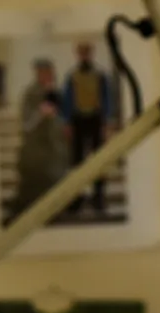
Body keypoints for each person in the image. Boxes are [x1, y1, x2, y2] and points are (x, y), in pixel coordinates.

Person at [66, 41, 113, 212]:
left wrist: (106, 121)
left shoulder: (100, 75)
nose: (84, 56)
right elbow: (68, 100)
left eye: (87, 52)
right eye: (81, 53)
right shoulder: (72, 76)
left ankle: (98, 197)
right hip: (78, 120)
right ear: (78, 55)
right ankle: (77, 197)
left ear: (91, 54)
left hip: (95, 119)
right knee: (77, 161)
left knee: (98, 161)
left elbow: (106, 99)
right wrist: (68, 122)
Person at [13, 91, 73, 221]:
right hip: (37, 168)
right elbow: (28, 133)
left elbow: (60, 149)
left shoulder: (58, 123)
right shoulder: (38, 120)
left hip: (48, 169)